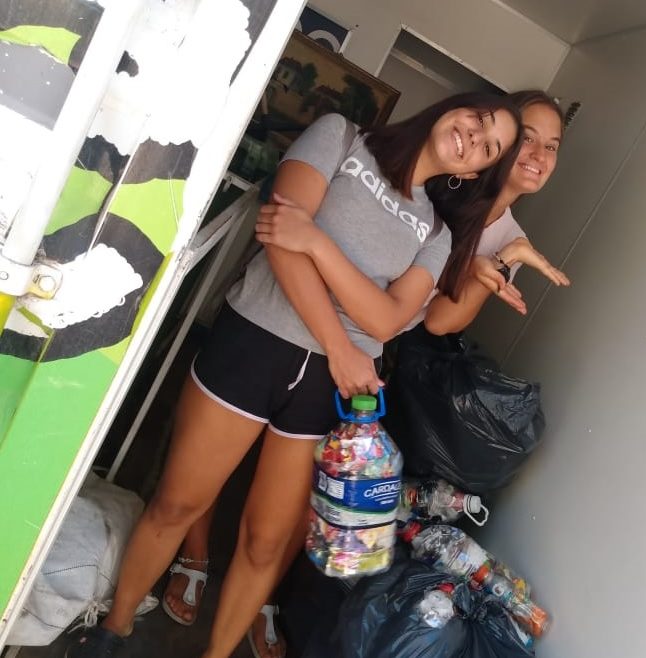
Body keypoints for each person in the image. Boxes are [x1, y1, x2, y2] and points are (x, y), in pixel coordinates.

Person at [65, 91, 523, 658]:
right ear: (454, 106)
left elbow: (386, 319)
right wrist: (339, 341)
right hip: (258, 340)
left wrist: (317, 242)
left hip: (329, 387)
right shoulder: (342, 136)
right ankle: (112, 630)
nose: (474, 137)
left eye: (489, 147)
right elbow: (279, 234)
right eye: (479, 119)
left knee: (265, 542)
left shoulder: (437, 235)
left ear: (474, 172)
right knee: (178, 503)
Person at [421, 89, 570, 337]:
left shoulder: (515, 242)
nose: (540, 155)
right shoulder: (442, 179)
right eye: (527, 138)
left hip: (372, 338)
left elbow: (438, 322)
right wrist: (471, 266)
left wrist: (507, 258)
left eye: (551, 147)